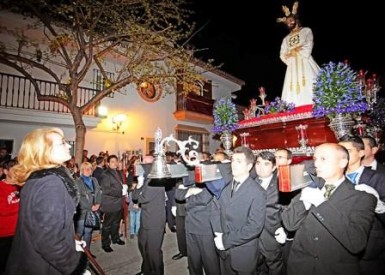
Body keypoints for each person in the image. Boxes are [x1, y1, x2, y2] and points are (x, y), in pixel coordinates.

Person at [281, 143, 377, 275]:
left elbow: (356, 243)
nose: (316, 164)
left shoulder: (362, 197)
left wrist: (321, 203)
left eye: (323, 159)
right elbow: (290, 224)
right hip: (300, 267)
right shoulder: (310, 188)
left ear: (343, 162)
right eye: (315, 159)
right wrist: (304, 202)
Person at [5, 128, 87, 275]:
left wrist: (69, 242)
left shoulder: (38, 178)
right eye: (62, 143)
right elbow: (48, 241)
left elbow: (41, 227)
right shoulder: (50, 183)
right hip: (43, 267)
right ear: (45, 151)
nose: (68, 146)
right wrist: (75, 265)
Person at [211, 146, 266, 275]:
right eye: (233, 160)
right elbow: (215, 209)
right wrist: (218, 233)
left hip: (243, 252)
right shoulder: (224, 185)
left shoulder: (257, 192)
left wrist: (225, 240)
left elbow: (255, 227)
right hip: (223, 250)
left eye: (239, 161)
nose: (234, 164)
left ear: (249, 166)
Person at [338, 135, 385, 275]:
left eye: (348, 150)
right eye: (340, 150)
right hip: (339, 248)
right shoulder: (333, 178)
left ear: (361, 153)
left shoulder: (379, 178)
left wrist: (379, 205)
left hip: (370, 249)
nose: (343, 155)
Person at [277, 1, 320, 107]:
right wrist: (290, 57)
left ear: (296, 19)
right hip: (292, 66)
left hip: (306, 61)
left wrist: (295, 51)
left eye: (291, 20)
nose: (289, 23)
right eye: (287, 22)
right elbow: (282, 54)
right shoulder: (286, 39)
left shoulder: (306, 31)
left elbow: (308, 44)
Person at [252, 151, 285, 275]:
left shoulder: (281, 184)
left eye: (266, 164)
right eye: (258, 163)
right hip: (252, 237)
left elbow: (286, 209)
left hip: (271, 235)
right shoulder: (249, 182)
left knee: (275, 268)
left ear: (274, 167)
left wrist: (284, 230)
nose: (260, 167)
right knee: (255, 268)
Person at [100, 154, 126, 253]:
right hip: (110, 203)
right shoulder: (105, 174)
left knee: (116, 223)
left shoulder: (118, 172)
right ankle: (105, 244)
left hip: (118, 202)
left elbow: (120, 185)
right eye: (112, 161)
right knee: (107, 225)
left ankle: (115, 238)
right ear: (108, 163)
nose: (115, 163)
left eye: (116, 161)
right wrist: (121, 192)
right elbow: (106, 190)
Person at [74, 162, 102, 253]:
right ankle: (78, 253)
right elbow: (78, 198)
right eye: (86, 169)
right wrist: (90, 206)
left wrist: (98, 204)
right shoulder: (78, 182)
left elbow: (98, 193)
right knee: (79, 233)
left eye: (90, 168)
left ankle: (87, 252)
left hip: (93, 211)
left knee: (88, 232)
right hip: (82, 212)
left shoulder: (94, 180)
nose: (88, 170)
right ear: (82, 170)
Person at [0, 159, 19, 274]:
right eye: (14, 169)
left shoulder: (21, 186)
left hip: (19, 233)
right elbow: (3, 210)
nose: (18, 172)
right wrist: (24, 206)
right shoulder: (1, 187)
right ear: (6, 172)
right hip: (4, 235)